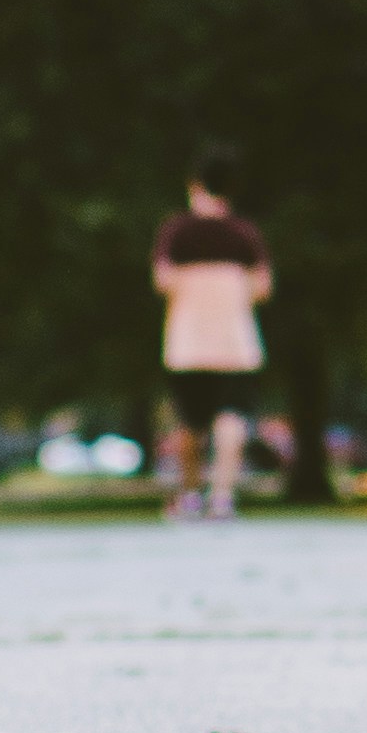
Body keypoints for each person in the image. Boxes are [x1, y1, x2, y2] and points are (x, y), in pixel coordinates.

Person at [151, 165, 272, 522]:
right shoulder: (245, 235)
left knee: (190, 421)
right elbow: (262, 287)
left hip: (187, 342)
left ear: (194, 187)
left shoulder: (175, 232)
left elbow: (163, 281)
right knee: (231, 418)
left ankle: (189, 495)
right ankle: (222, 496)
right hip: (235, 341)